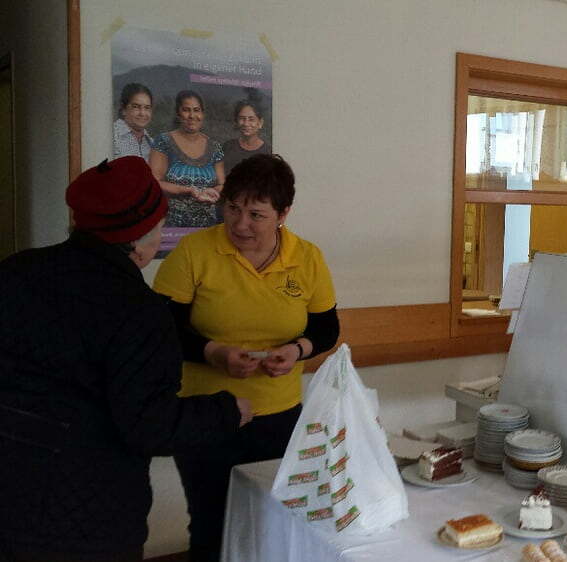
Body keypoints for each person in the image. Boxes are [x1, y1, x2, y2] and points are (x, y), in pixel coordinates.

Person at [0, 156, 253, 562]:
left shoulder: (16, 271)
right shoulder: (139, 310)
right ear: (139, 238)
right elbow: (149, 425)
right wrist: (226, 411)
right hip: (86, 516)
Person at [153, 154, 340, 562]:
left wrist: (296, 350)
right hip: (205, 414)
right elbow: (162, 328)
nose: (240, 224)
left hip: (279, 416)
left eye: (256, 215)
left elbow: (326, 328)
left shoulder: (307, 257)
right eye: (233, 208)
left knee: (276, 523)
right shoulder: (194, 251)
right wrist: (214, 352)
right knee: (211, 525)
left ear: (283, 214)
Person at [149, 90, 225, 228]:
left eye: (196, 110)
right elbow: (154, 182)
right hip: (172, 225)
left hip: (207, 226)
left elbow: (222, 184)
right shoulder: (163, 142)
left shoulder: (215, 147)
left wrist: (212, 192)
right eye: (186, 110)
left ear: (203, 114)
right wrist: (187, 190)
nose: (192, 116)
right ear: (178, 113)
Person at [221, 99, 271, 176]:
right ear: (236, 121)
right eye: (242, 118)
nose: (246, 123)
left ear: (260, 123)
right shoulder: (228, 147)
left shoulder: (268, 152)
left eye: (251, 119)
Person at [112, 82, 155, 161]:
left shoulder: (151, 143)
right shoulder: (111, 137)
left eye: (147, 108)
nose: (142, 113)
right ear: (124, 109)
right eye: (136, 107)